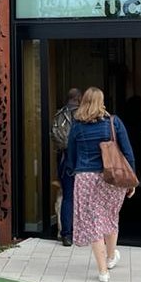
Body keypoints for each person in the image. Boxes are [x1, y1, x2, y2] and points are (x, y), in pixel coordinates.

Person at [65, 86, 136, 282]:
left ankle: (103, 271)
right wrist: (131, 182)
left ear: (84, 102)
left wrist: (72, 171)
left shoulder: (77, 126)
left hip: (85, 178)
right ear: (101, 101)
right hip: (111, 178)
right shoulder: (113, 122)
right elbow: (128, 153)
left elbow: (70, 156)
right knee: (111, 216)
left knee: (94, 223)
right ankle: (111, 257)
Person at [51, 87, 82, 246]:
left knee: (68, 197)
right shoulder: (83, 114)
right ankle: (83, 232)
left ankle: (66, 235)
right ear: (79, 98)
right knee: (85, 197)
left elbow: (54, 139)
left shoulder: (58, 115)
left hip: (64, 159)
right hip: (82, 160)